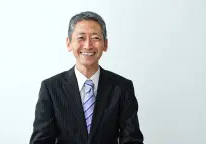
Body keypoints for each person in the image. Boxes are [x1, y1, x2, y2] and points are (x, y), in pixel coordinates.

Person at [29, 11, 144, 144]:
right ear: (69, 43)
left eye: (95, 38)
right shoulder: (51, 88)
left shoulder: (122, 87)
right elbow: (41, 140)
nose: (88, 45)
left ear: (105, 44)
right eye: (81, 38)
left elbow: (132, 140)